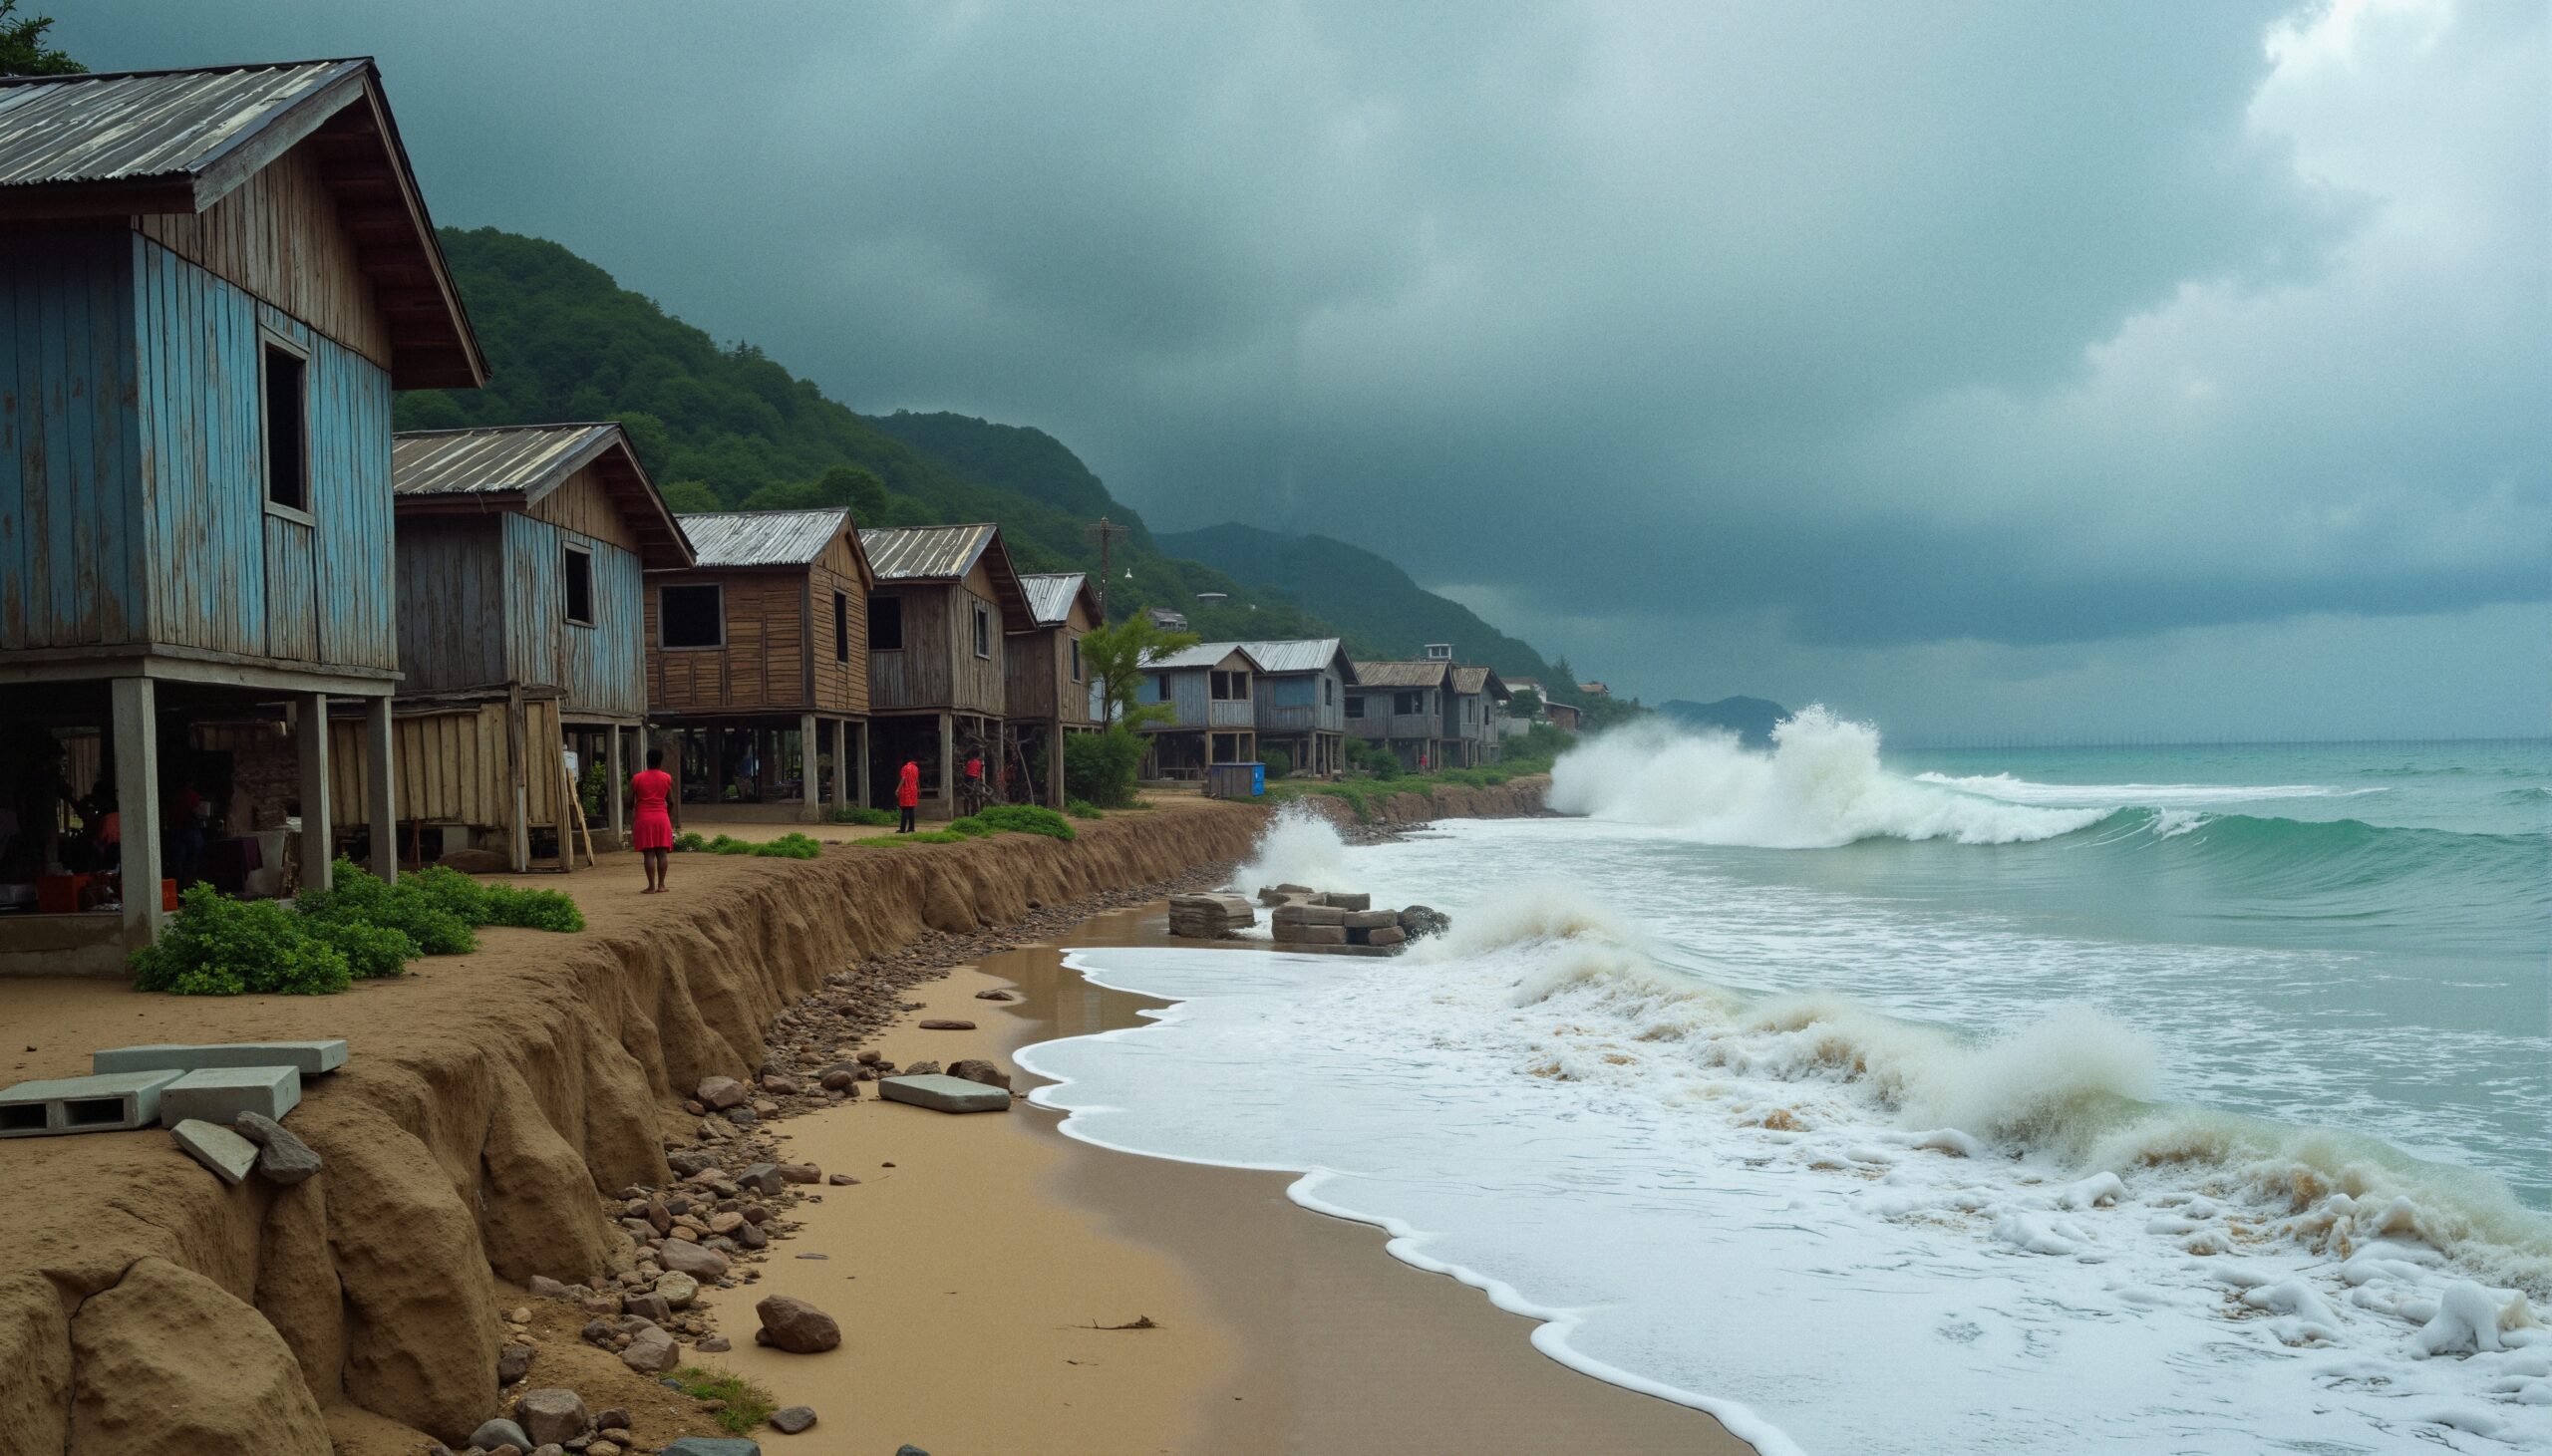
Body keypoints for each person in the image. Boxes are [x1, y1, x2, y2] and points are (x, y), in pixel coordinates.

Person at [632, 748, 677, 893]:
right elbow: (671, 802)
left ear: (647, 760)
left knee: (649, 854)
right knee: (662, 853)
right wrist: (666, 815)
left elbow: (627, 801)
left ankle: (651, 886)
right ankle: (661, 885)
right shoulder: (666, 778)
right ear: (661, 761)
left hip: (644, 818)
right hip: (662, 818)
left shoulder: (637, 778)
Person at [896, 758, 921, 834]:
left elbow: (903, 778)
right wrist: (919, 789)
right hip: (914, 790)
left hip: (906, 790)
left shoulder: (905, 768)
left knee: (905, 809)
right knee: (911, 809)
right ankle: (911, 828)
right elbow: (917, 780)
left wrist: (897, 789)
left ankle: (902, 829)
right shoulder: (916, 768)